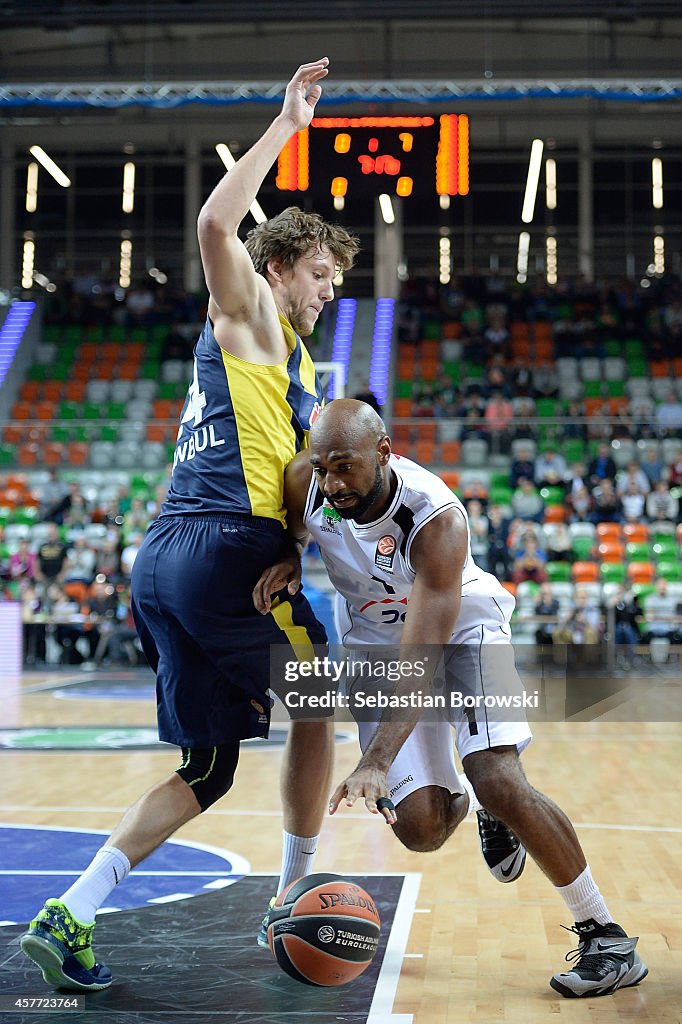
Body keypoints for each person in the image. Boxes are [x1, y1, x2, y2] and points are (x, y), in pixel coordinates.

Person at [21, 57, 359, 994]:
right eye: (323, 273)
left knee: (207, 769)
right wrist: (288, 126)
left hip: (166, 557)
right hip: (219, 550)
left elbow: (290, 471)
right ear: (282, 263)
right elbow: (217, 223)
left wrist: (296, 540)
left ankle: (72, 911)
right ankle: (293, 892)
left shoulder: (290, 371)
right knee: (323, 695)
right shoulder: (249, 308)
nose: (330, 291)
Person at [254, 399, 647, 1000]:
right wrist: (287, 554)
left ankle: (606, 936)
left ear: (384, 454)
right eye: (323, 467)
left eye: (346, 468)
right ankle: (483, 810)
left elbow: (423, 661)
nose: (332, 483)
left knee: (495, 774)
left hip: (458, 629)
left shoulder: (436, 518)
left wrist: (376, 761)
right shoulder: (306, 482)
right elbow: (297, 528)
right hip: (374, 642)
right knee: (420, 828)